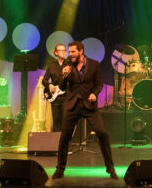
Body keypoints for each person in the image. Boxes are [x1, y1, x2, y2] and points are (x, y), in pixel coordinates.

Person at [53, 40, 116, 179]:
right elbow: (62, 87)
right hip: (72, 105)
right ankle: (60, 169)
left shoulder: (93, 64)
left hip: (89, 105)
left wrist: (94, 94)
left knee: (102, 133)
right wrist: (64, 75)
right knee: (64, 137)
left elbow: (99, 84)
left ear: (81, 51)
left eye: (73, 52)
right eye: (70, 52)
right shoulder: (67, 65)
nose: (71, 55)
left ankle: (110, 168)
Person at [41, 44, 67, 131]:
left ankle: (65, 142)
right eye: (60, 50)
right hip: (55, 98)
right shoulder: (51, 65)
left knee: (65, 121)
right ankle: (56, 142)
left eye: (64, 50)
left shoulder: (69, 64)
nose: (63, 52)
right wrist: (49, 85)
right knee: (56, 121)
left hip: (66, 96)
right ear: (56, 53)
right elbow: (44, 80)